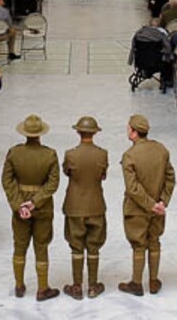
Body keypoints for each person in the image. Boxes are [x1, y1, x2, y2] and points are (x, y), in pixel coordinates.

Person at [1, 113, 60, 301]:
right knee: (41, 246)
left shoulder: (14, 153)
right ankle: (43, 289)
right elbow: (53, 184)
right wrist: (35, 202)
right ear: (41, 133)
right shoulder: (50, 155)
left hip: (20, 208)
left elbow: (7, 181)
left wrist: (19, 205)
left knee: (20, 245)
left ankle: (19, 285)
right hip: (42, 208)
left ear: (24, 133)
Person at [119, 113, 175, 296]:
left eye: (129, 128)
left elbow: (133, 188)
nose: (127, 130)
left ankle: (136, 283)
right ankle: (153, 281)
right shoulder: (161, 150)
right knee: (154, 242)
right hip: (158, 209)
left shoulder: (129, 156)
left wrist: (150, 205)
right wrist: (161, 202)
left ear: (134, 133)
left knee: (138, 245)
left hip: (136, 210)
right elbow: (170, 178)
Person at [61, 115, 108, 300]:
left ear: (78, 132)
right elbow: (102, 175)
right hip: (96, 204)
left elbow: (67, 172)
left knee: (76, 247)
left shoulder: (70, 154)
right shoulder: (102, 154)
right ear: (95, 132)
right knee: (94, 247)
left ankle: (77, 286)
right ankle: (93, 286)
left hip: (74, 205)